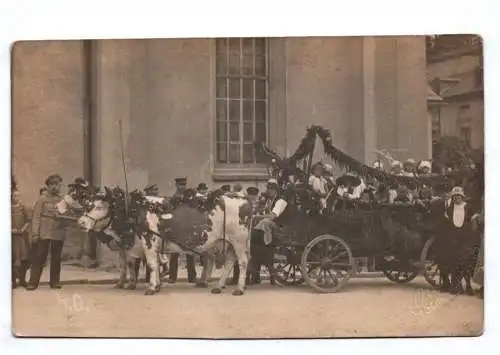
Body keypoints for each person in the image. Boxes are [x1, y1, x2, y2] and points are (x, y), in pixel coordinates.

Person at [26, 174, 67, 290]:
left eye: (57, 184)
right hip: (44, 232)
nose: (54, 187)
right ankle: (33, 282)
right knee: (39, 257)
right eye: (52, 185)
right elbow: (36, 217)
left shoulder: (63, 199)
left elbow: (67, 215)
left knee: (56, 258)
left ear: (60, 186)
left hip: (58, 231)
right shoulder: (42, 199)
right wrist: (35, 233)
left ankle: (54, 282)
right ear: (48, 186)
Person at [250, 179, 286, 284]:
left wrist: (257, 217)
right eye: (268, 188)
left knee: (265, 221)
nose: (269, 190)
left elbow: (273, 216)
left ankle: (259, 238)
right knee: (257, 246)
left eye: (271, 189)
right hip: (269, 227)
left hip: (280, 227)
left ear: (276, 190)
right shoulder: (269, 201)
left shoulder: (280, 201)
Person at [168, 177, 197, 284]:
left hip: (188, 227)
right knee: (174, 252)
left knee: (190, 252)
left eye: (184, 185)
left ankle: (192, 276)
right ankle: (172, 277)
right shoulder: (174, 198)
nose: (182, 187)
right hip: (177, 228)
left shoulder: (189, 197)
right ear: (177, 186)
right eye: (181, 185)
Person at [11, 189, 31, 288]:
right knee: (12, 258)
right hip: (12, 237)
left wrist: (23, 229)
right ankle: (13, 281)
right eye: (14, 196)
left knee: (24, 258)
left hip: (22, 237)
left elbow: (28, 220)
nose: (16, 198)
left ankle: (22, 280)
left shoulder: (23, 208)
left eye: (18, 196)